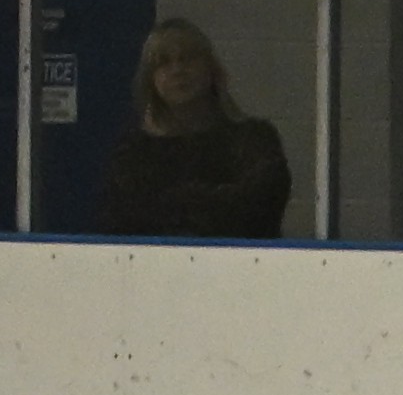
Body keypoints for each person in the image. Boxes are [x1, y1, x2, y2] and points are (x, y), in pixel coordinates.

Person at [97, 19, 290, 238]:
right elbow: (120, 220)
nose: (178, 70)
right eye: (164, 62)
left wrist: (175, 204)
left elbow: (260, 207)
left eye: (187, 58)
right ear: (150, 79)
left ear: (211, 69)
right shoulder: (133, 150)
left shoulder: (254, 138)